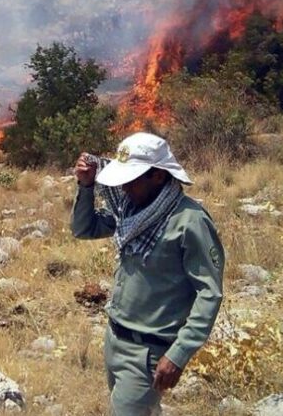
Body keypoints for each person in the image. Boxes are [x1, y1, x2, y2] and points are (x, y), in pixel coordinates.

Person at [71, 132, 224, 416]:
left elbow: (209, 293)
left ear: (158, 176)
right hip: (114, 340)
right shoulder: (129, 212)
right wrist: (86, 186)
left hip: (148, 353)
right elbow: (85, 228)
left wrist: (178, 354)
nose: (125, 187)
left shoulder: (189, 221)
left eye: (133, 179)